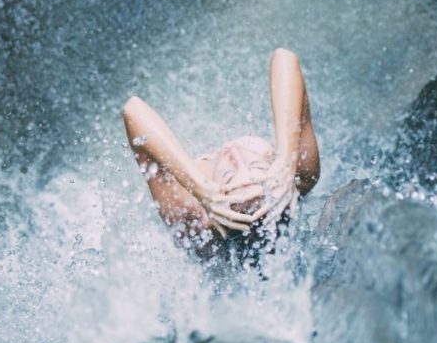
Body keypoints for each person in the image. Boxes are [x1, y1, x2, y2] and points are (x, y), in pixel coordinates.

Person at [123, 48, 320, 248]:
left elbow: (133, 109)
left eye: (228, 174)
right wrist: (287, 158)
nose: (234, 153)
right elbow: (284, 57)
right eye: (257, 167)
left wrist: (198, 187)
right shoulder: (298, 177)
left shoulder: (192, 217)